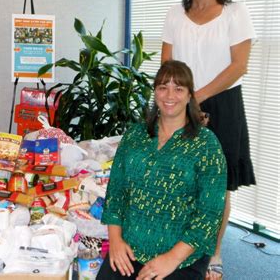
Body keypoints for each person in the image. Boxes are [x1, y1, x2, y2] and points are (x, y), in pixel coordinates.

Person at [161, 0, 256, 279]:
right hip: (180, 102)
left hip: (222, 103)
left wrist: (196, 99)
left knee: (217, 185)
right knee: (179, 179)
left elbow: (238, 66)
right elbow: (167, 64)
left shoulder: (235, 12)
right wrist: (176, 97)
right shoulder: (175, 13)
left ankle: (214, 254)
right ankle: (177, 248)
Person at [96, 60, 226, 280]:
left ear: (189, 95)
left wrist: (172, 258)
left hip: (182, 255)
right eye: (163, 87)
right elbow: (116, 191)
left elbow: (210, 214)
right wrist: (116, 241)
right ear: (155, 92)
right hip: (129, 247)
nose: (170, 95)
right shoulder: (135, 135)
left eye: (179, 88)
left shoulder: (206, 144)